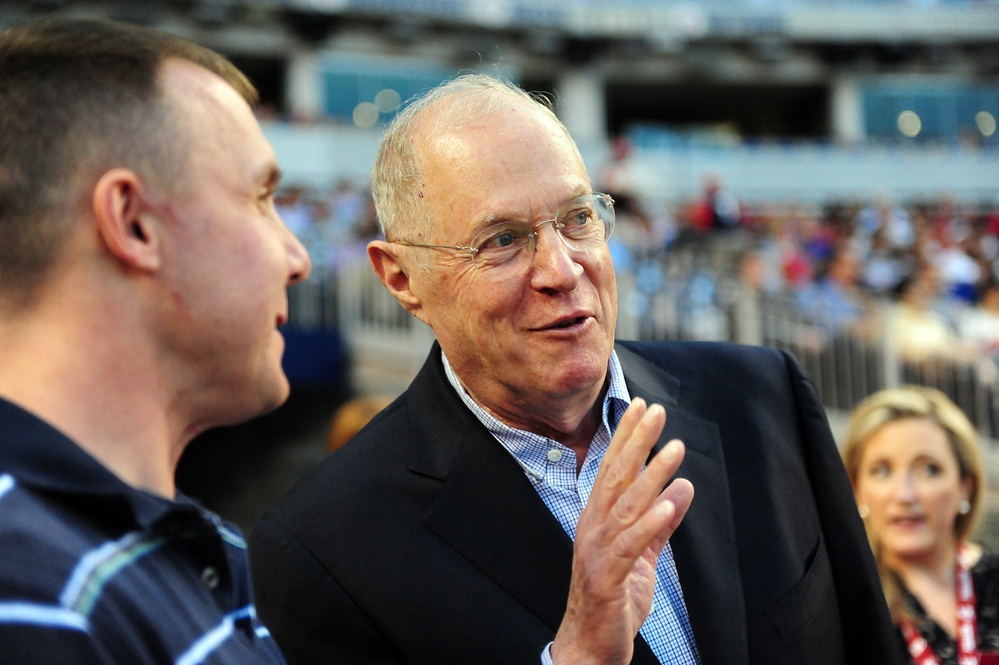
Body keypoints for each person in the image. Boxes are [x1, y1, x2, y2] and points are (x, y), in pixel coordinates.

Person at [248, 73, 901, 665]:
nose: (562, 270)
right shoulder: (321, 550)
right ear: (401, 277)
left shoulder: (764, 399)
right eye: (501, 239)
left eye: (577, 218)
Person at [0, 16, 310, 663]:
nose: (296, 256)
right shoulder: (30, 594)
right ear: (134, 222)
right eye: (259, 197)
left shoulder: (186, 543)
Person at [841, 386, 999, 664]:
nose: (904, 495)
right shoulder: (842, 607)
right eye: (881, 470)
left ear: (966, 486)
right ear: (856, 489)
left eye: (928, 469)